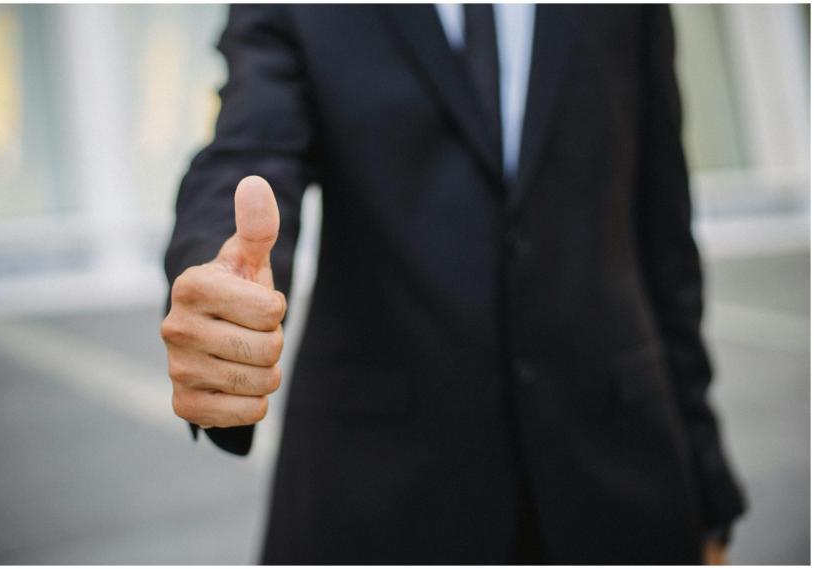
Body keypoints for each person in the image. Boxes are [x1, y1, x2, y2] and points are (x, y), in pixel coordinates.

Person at [161, 4, 746, 564]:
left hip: (622, 484)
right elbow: (247, 146)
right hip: (381, 499)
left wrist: (707, 483)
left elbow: (664, 239)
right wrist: (219, 277)